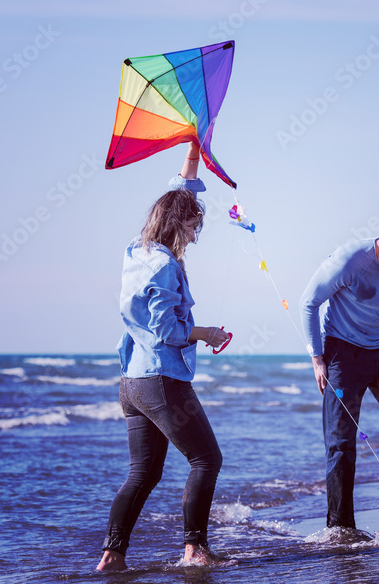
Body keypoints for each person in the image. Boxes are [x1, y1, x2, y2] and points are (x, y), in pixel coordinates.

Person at [98, 142, 231, 571]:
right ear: (178, 224)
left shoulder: (134, 251)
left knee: (144, 474)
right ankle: (194, 548)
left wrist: (195, 144)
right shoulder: (165, 266)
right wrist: (206, 332)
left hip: (132, 382)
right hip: (160, 380)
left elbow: (179, 189)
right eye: (193, 226)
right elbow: (166, 330)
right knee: (207, 459)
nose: (195, 234)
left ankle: (112, 556)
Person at [299, 218, 379, 530]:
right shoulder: (350, 261)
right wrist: (318, 360)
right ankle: (340, 528)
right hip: (343, 353)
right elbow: (308, 303)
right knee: (340, 442)